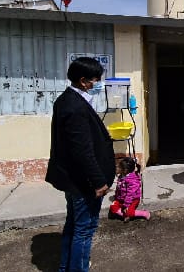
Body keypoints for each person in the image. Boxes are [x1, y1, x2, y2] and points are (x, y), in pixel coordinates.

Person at [45, 57, 116, 272]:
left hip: (73, 178)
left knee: (74, 224)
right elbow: (82, 151)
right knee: (84, 230)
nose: (99, 84)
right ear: (84, 81)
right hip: (83, 182)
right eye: (96, 80)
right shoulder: (75, 107)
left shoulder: (67, 100)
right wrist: (98, 182)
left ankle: (66, 267)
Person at [109, 157, 151, 221]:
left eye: (119, 167)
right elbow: (119, 188)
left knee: (129, 212)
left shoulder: (132, 180)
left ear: (125, 170)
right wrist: (116, 197)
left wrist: (126, 205)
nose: (116, 168)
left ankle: (144, 213)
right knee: (112, 208)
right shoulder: (121, 176)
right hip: (121, 199)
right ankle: (126, 215)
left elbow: (130, 194)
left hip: (132, 200)